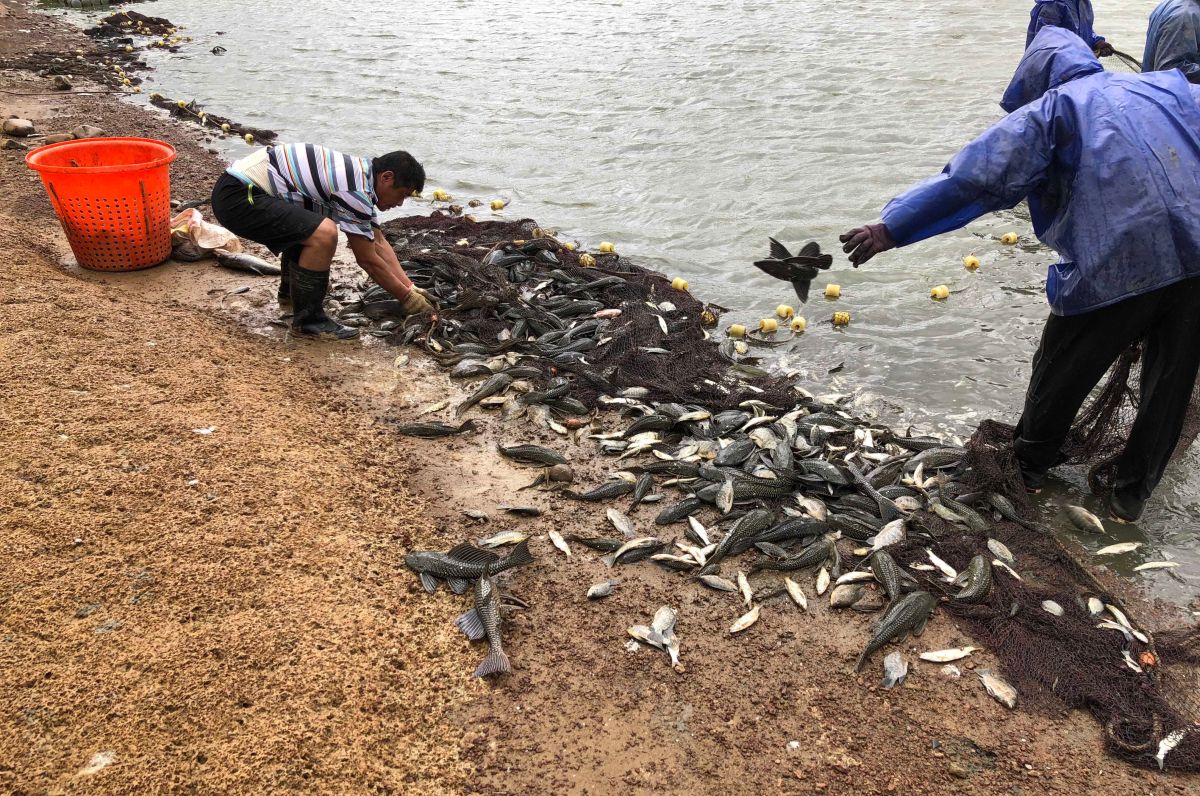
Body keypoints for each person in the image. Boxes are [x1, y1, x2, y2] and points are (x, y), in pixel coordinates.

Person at [839, 26, 1200, 523]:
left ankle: (1030, 465)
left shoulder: (1051, 110)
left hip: (1118, 258)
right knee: (1171, 381)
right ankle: (1129, 500)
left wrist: (891, 227)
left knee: (1063, 362)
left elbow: (972, 181)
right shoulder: (1168, 87)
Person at [210, 143, 433, 340]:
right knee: (324, 233)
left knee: (309, 224)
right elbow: (367, 260)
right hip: (239, 196)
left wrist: (411, 287)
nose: (401, 203)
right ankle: (309, 321)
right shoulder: (355, 190)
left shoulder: (361, 178)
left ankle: (291, 295)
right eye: (402, 194)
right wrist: (406, 299)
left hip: (240, 192)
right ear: (386, 177)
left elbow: (378, 241)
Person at [1026, 0, 1114, 56]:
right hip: (1056, 75)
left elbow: (1084, 31)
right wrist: (1080, 58)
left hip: (1078, 70)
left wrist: (1096, 42)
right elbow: (1045, 48)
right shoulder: (1053, 4)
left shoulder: (1084, 3)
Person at [1143, 0, 1200, 83]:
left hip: (1151, 87)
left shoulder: (1171, 4)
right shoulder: (1185, 16)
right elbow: (1169, 70)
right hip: (1167, 92)